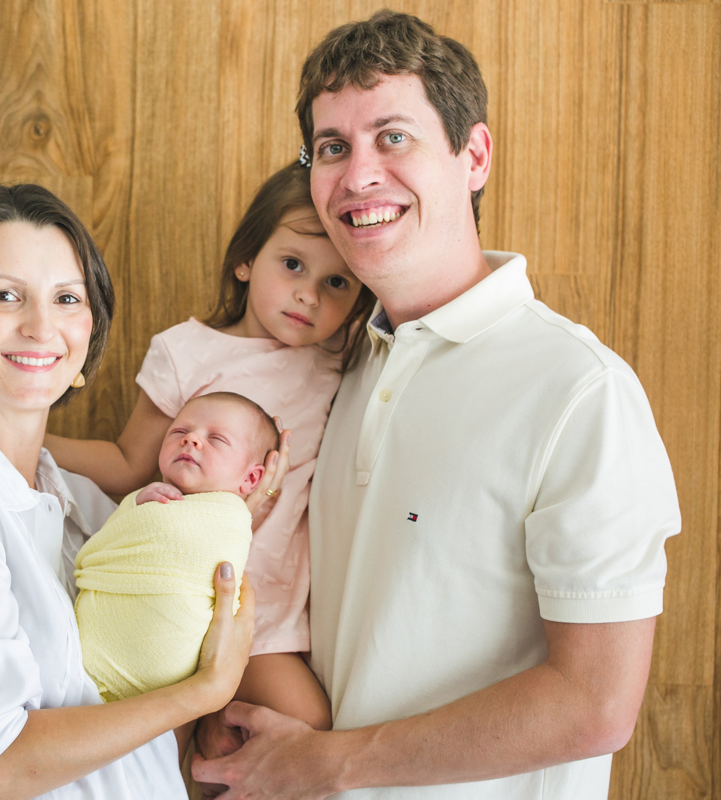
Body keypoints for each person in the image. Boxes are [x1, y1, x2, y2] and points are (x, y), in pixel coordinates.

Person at [192, 11, 681, 800]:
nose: (357, 176)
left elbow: (595, 705)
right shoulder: (333, 370)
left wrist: (330, 763)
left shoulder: (580, 390)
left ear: (474, 155)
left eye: (393, 138)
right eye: (332, 148)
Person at [0, 184, 258, 800]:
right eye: (5, 295)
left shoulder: (83, 503)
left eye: (66, 298)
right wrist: (205, 692)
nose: (41, 327)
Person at [46, 162, 375, 735]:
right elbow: (127, 465)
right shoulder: (187, 352)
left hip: (265, 611)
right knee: (157, 744)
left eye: (337, 283)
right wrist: (28, 439)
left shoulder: (338, 356)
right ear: (245, 260)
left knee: (304, 724)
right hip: (175, 597)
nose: (309, 294)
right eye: (292, 264)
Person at [75, 393, 278, 707]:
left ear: (252, 478)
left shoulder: (231, 519)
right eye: (179, 432)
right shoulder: (145, 499)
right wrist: (135, 504)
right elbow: (111, 541)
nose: (191, 439)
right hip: (86, 657)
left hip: (166, 676)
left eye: (216, 439)